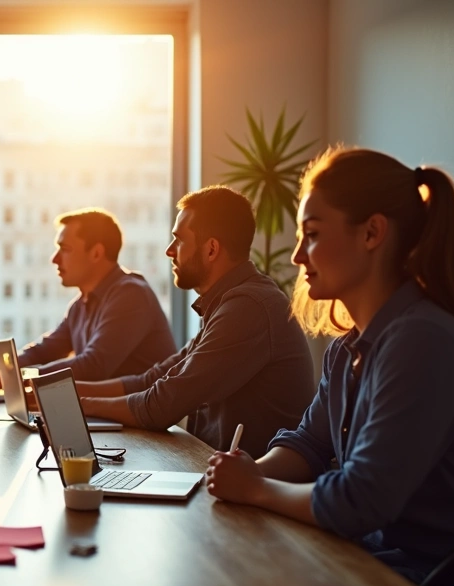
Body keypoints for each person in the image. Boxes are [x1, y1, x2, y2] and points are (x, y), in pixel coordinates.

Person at [207, 147, 454, 586]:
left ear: (372, 233)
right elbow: (309, 443)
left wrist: (254, 489)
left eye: (311, 234)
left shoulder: (423, 340)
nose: (297, 256)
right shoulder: (347, 348)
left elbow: (360, 500)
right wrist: (252, 471)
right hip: (367, 558)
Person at [75, 186, 314, 457]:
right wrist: (73, 393)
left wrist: (83, 405)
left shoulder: (249, 308)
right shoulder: (227, 302)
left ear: (211, 249)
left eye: (178, 240)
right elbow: (152, 379)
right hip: (213, 469)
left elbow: (162, 405)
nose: (169, 251)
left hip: (252, 480)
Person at [0, 208, 175, 390]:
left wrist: (11, 379)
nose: (54, 259)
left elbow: (92, 366)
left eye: (64, 249)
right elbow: (44, 351)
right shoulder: (80, 305)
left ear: (96, 253)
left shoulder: (131, 295)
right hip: (109, 416)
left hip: (142, 422)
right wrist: (0, 365)